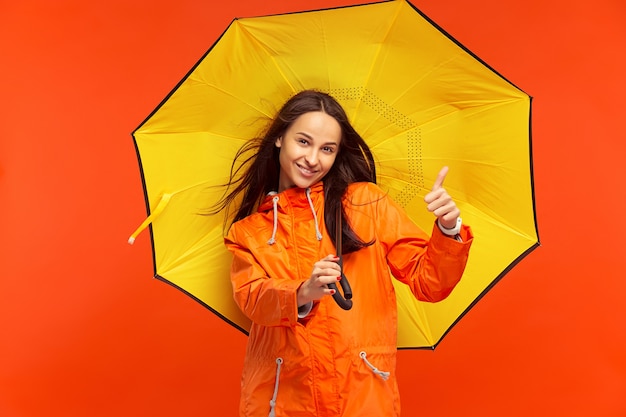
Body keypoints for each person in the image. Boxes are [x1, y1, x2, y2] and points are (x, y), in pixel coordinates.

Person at [218, 90, 473, 416]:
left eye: (327, 149)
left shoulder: (366, 203)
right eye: (304, 142)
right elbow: (252, 297)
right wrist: (303, 291)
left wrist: (449, 227)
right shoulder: (249, 232)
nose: (313, 159)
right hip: (284, 399)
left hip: (361, 395)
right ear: (280, 138)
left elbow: (430, 281)